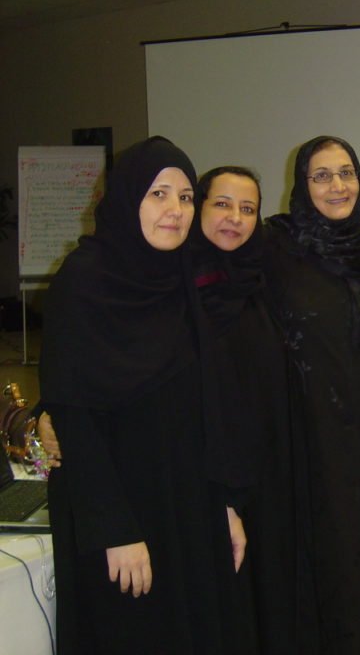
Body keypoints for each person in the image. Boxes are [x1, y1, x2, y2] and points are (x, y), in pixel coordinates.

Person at [39, 136, 250, 653]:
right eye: (159, 195)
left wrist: (223, 504)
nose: (175, 211)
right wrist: (115, 530)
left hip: (186, 501)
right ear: (128, 199)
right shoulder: (83, 282)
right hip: (118, 513)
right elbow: (74, 416)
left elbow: (204, 405)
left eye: (184, 197)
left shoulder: (179, 281)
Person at [264, 137, 360, 654]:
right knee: (314, 559)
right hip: (300, 433)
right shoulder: (274, 246)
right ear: (301, 184)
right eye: (321, 176)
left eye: (346, 173)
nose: (337, 186)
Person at [192, 166, 293, 654]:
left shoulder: (264, 280)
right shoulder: (175, 286)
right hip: (203, 473)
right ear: (198, 207)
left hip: (267, 471)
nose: (235, 218)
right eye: (222, 205)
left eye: (248, 209)